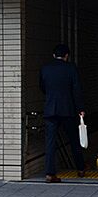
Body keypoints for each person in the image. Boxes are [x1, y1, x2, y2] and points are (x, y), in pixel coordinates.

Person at [38, 43, 86, 182]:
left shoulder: (45, 69)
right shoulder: (71, 68)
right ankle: (81, 169)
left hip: (50, 109)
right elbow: (76, 90)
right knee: (73, 140)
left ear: (54, 55)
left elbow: (42, 87)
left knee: (50, 142)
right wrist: (80, 108)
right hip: (68, 109)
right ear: (66, 56)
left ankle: (49, 173)